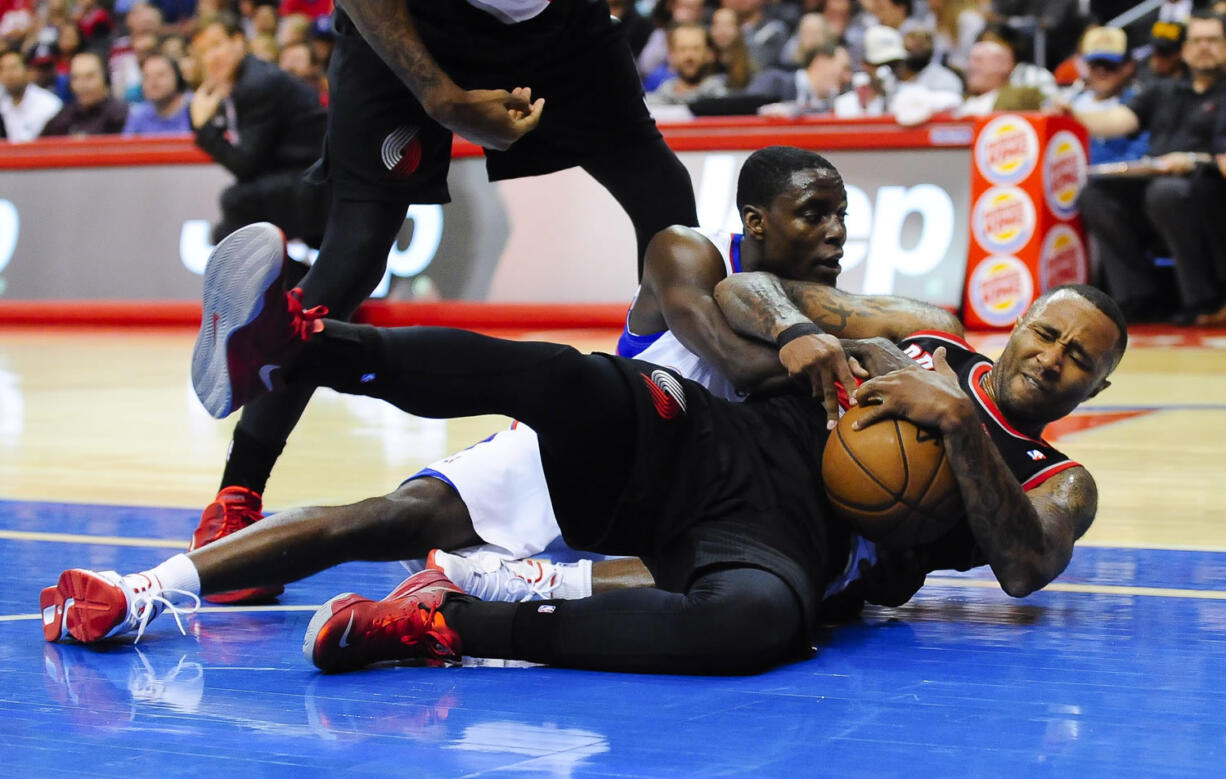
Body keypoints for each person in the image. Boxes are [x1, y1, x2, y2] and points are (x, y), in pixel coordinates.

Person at [44, 247, 1126, 677]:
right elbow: (750, 287)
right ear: (1016, 320)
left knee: (755, 626)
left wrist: (952, 427)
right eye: (1045, 331)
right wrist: (801, 336)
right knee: (561, 380)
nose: (1050, 358)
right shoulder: (923, 329)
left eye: (1078, 358)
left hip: (792, 541)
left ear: (1093, 388)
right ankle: (307, 342)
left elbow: (1026, 565)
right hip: (708, 441)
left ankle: (444, 622)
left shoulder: (1052, 474)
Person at [41, 147, 961, 643]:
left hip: (690, 511)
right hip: (613, 442)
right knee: (391, 515)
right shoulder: (687, 254)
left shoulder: (833, 314)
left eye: (844, 215)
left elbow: (928, 310)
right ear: (754, 222)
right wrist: (821, 340)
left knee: (725, 583)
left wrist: (852, 330)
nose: (838, 231)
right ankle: (140, 590)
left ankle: (488, 581)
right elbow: (736, 349)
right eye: (816, 215)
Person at [185, 0, 701, 597]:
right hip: (406, 21)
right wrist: (441, 96)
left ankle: (654, 442)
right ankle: (236, 496)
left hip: (555, 24)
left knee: (666, 206)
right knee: (353, 251)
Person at [1068, 11, 1226, 324]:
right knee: (1094, 195)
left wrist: (1195, 161)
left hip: (1210, 191)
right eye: (1196, 40)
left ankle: (1204, 301)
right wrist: (1071, 112)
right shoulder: (1162, 89)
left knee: (1166, 193)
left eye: (1213, 40)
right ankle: (1137, 297)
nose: (1204, 47)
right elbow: (1115, 122)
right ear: (1185, 48)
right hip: (1160, 188)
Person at [190, 12, 329, 247]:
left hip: (318, 182)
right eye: (204, 51)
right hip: (305, 177)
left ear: (238, 41)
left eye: (216, 46)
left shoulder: (256, 84)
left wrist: (204, 127)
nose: (211, 57)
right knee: (228, 224)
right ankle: (300, 280)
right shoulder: (243, 80)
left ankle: (295, 282)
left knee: (234, 204)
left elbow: (246, 165)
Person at [1064, 27, 1149, 166]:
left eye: (1109, 64)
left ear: (1128, 66)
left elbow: (1138, 158)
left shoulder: (1140, 105)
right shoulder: (1069, 101)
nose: (1102, 71)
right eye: (1095, 64)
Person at [750, 41, 854, 116]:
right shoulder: (773, 83)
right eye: (845, 68)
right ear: (821, 61)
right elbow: (743, 113)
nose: (849, 78)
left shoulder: (839, 103)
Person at [40, 51, 129, 136]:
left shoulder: (120, 115)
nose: (82, 85)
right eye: (76, 78)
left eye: (89, 77)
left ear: (105, 78)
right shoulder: (63, 118)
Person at [645, 22, 728, 105]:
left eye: (696, 49)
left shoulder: (724, 100)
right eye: (682, 49)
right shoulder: (657, 102)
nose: (689, 56)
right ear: (672, 55)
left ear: (710, 54)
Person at [0, 46, 62, 141]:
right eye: (2, 69)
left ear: (27, 70)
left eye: (13, 68)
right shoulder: (2, 105)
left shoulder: (49, 105)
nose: (8, 74)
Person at [121, 53, 191, 134]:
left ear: (177, 77)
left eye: (160, 75)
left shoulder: (194, 108)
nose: (153, 83)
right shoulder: (138, 115)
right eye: (146, 77)